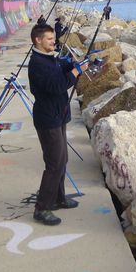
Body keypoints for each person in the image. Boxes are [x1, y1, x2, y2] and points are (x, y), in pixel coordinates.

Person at [28, 24, 88, 225]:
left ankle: (59, 198)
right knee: (54, 163)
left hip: (58, 116)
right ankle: (42, 208)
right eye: (49, 39)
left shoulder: (48, 58)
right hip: (48, 119)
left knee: (62, 159)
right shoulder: (37, 63)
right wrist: (76, 72)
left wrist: (73, 64)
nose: (54, 41)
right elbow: (57, 85)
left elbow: (59, 67)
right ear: (38, 40)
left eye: (53, 38)